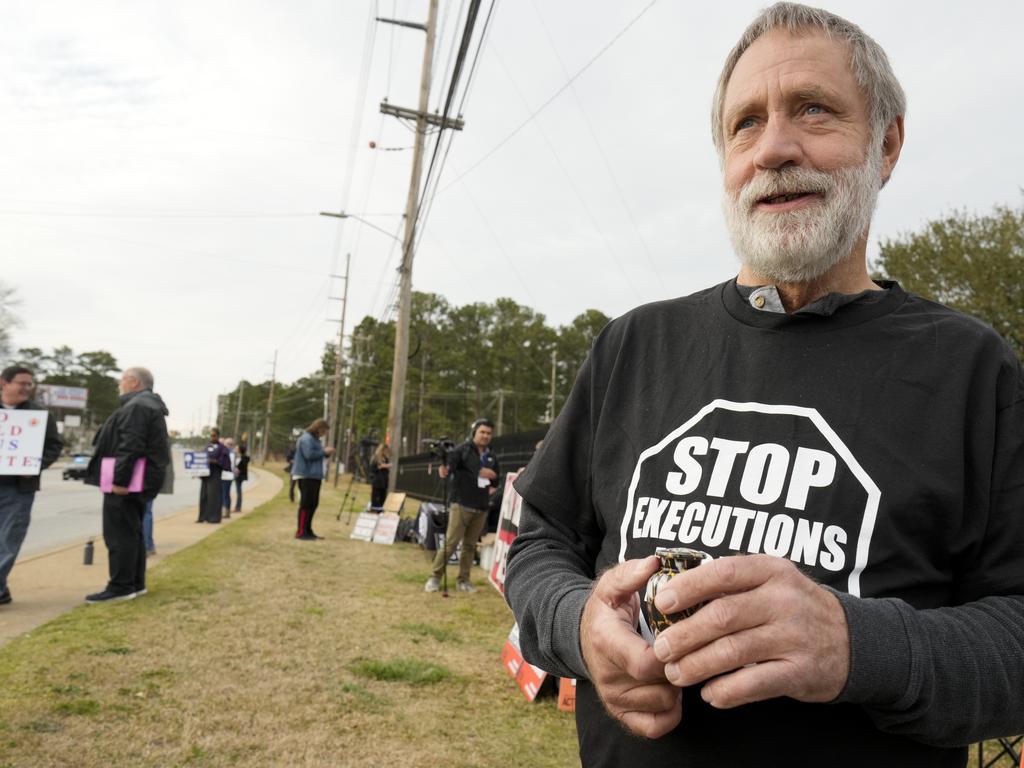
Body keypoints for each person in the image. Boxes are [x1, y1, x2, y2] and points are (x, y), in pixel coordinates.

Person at [503, 5, 1024, 767]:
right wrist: (579, 624)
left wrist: (859, 646)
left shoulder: (972, 370)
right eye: (745, 124)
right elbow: (540, 540)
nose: (775, 148)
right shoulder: (634, 346)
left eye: (815, 110)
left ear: (886, 144)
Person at [84, 367, 169, 603]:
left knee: (119, 533)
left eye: (121, 380)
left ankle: (121, 586)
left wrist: (120, 480)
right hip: (140, 478)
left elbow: (131, 445)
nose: (119, 385)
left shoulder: (138, 406)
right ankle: (135, 583)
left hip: (127, 481)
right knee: (132, 531)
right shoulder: (146, 405)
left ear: (133, 382)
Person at [0, 366, 63, 606]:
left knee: (8, 539)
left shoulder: (39, 415)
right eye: (21, 383)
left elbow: (53, 447)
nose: (27, 388)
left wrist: (35, 466)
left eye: (30, 384)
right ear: (4, 383)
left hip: (18, 488)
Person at [424, 418, 499, 594]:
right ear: (474, 432)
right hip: (461, 504)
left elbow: (496, 480)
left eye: (489, 433)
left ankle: (464, 580)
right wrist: (443, 468)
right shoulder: (462, 450)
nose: (485, 436)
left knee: (470, 546)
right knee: (451, 543)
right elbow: (447, 468)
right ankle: (435, 577)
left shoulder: (492, 456)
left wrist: (491, 476)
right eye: (482, 432)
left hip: (481, 507)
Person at [292, 418, 334, 540]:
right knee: (305, 504)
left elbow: (317, 454)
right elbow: (309, 455)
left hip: (315, 475)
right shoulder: (306, 439)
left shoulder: (315, 440)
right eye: (324, 431)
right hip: (306, 475)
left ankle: (308, 530)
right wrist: (324, 451)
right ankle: (300, 532)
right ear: (319, 428)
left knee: (313, 504)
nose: (324, 433)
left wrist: (326, 453)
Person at [197, 428, 229, 524]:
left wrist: (214, 461)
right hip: (205, 475)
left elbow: (225, 462)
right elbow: (200, 458)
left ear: (218, 436)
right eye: (211, 435)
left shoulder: (222, 448)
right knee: (204, 496)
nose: (212, 437)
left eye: (214, 435)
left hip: (215, 475)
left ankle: (213, 518)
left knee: (213, 496)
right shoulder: (207, 446)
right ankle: (203, 517)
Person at [368, 443, 391, 510]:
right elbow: (372, 468)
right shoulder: (375, 457)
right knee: (375, 498)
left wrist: (387, 466)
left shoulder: (386, 458)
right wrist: (380, 467)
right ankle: (375, 510)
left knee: (383, 498)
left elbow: (386, 469)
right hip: (377, 481)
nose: (386, 452)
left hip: (384, 481)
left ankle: (380, 510)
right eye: (385, 450)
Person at [220, 437, 236, 518]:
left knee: (225, 494)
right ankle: (225, 511)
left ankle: (226, 511)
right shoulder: (225, 452)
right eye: (227, 443)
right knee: (224, 494)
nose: (228, 445)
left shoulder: (230, 453)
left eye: (230, 444)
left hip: (227, 476)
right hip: (224, 476)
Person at [234, 443, 249, 513]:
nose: (236, 450)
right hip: (239, 476)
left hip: (239, 476)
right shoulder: (241, 457)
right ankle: (238, 507)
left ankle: (238, 507)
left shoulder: (242, 458)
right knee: (238, 491)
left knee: (239, 492)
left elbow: (240, 467)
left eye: (237, 449)